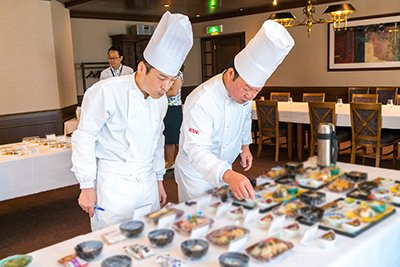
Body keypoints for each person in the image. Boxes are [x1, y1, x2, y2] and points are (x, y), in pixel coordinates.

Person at [71, 11, 193, 231]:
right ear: (142, 68)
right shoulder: (105, 92)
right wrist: (86, 185)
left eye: (171, 79)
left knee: (150, 238)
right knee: (112, 244)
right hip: (114, 185)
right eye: (161, 78)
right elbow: (85, 137)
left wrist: (158, 179)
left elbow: (158, 139)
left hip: (146, 183)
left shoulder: (160, 100)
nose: (166, 87)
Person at [174, 20, 295, 202]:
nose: (250, 96)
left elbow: (245, 119)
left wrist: (245, 147)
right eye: (246, 88)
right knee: (199, 220)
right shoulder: (201, 101)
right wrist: (229, 175)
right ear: (231, 74)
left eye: (256, 90)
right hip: (196, 173)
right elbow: (196, 150)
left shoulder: (244, 96)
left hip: (225, 168)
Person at [163, 66, 184, 170]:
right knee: (167, 136)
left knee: (176, 136)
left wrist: (159, 93)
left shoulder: (178, 74)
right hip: (164, 106)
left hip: (174, 108)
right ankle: (170, 162)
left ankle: (181, 163)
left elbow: (173, 92)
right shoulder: (164, 72)